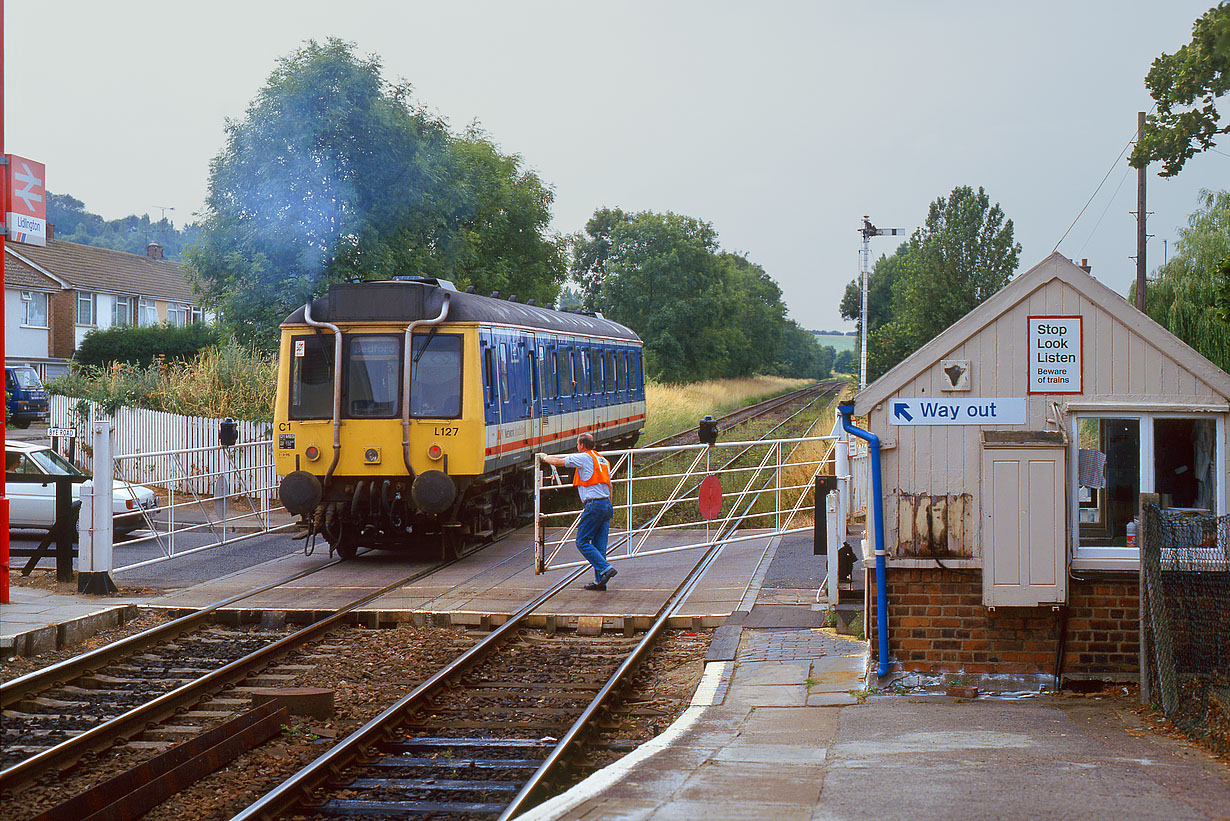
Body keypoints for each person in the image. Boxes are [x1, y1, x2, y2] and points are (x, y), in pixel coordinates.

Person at [541, 433, 618, 590]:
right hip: (605, 504)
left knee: (581, 541)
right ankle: (600, 581)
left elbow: (558, 462)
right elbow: (610, 486)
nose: (577, 447)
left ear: (582, 445)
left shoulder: (583, 457)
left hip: (594, 505)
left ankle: (605, 568)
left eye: (577, 444)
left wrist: (543, 457)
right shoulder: (602, 460)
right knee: (599, 545)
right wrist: (609, 506)